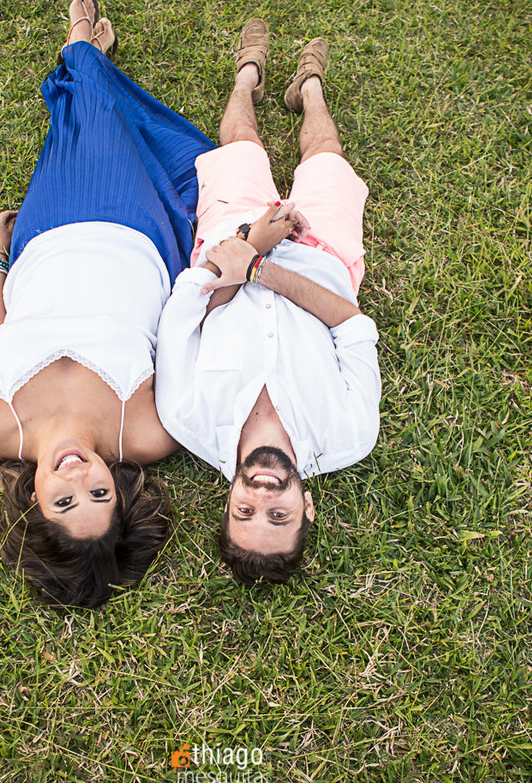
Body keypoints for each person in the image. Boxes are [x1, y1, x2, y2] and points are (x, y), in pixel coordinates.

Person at [0, 2, 215, 608]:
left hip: (44, 236)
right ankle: (84, 52)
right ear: (120, 494)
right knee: (193, 159)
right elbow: (186, 332)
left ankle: (85, 55)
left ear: (34, 504)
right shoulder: (148, 435)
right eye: (99, 496)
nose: (78, 478)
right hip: (138, 235)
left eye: (64, 500)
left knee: (70, 132)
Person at [155, 20, 381, 586]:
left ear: (226, 504)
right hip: (321, 257)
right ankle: (309, 88)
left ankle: (246, 77)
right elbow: (353, 327)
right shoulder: (350, 434)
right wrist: (264, 267)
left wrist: (252, 242)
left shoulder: (186, 418)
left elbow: (186, 311)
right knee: (325, 151)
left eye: (244, 512)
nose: (261, 496)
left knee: (241, 144)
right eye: (277, 516)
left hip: (232, 240)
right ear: (308, 511)